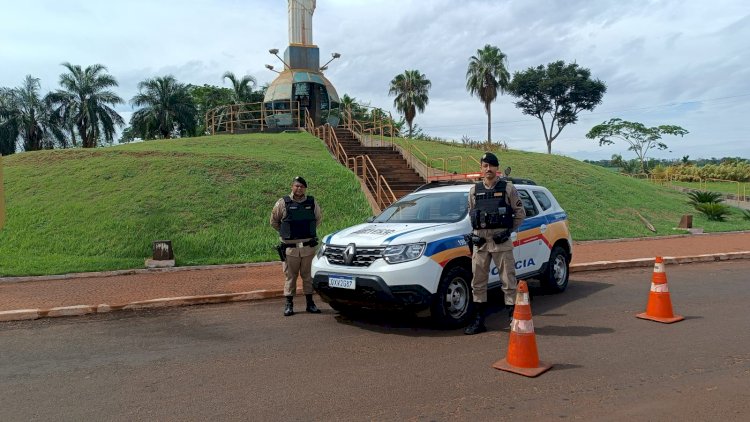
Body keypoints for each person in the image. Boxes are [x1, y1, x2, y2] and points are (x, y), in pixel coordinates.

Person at [464, 152, 526, 335]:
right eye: (485, 165)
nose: (488, 169)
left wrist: (508, 232)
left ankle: (513, 320)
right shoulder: (474, 190)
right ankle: (478, 321)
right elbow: (471, 213)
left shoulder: (508, 188)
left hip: (501, 241)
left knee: (508, 282)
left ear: (497, 168)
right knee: (478, 283)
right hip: (481, 243)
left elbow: (520, 213)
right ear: (481, 168)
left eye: (492, 165)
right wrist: (476, 234)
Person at [270, 176, 323, 316]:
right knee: (290, 277)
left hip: (308, 248)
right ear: (292, 187)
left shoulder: (312, 202)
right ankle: (289, 305)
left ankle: (310, 304)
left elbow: (318, 219)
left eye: (302, 186)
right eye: (296, 186)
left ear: (305, 188)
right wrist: (286, 233)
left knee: (308, 277)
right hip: (290, 249)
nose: (299, 188)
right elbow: (274, 222)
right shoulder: (282, 203)